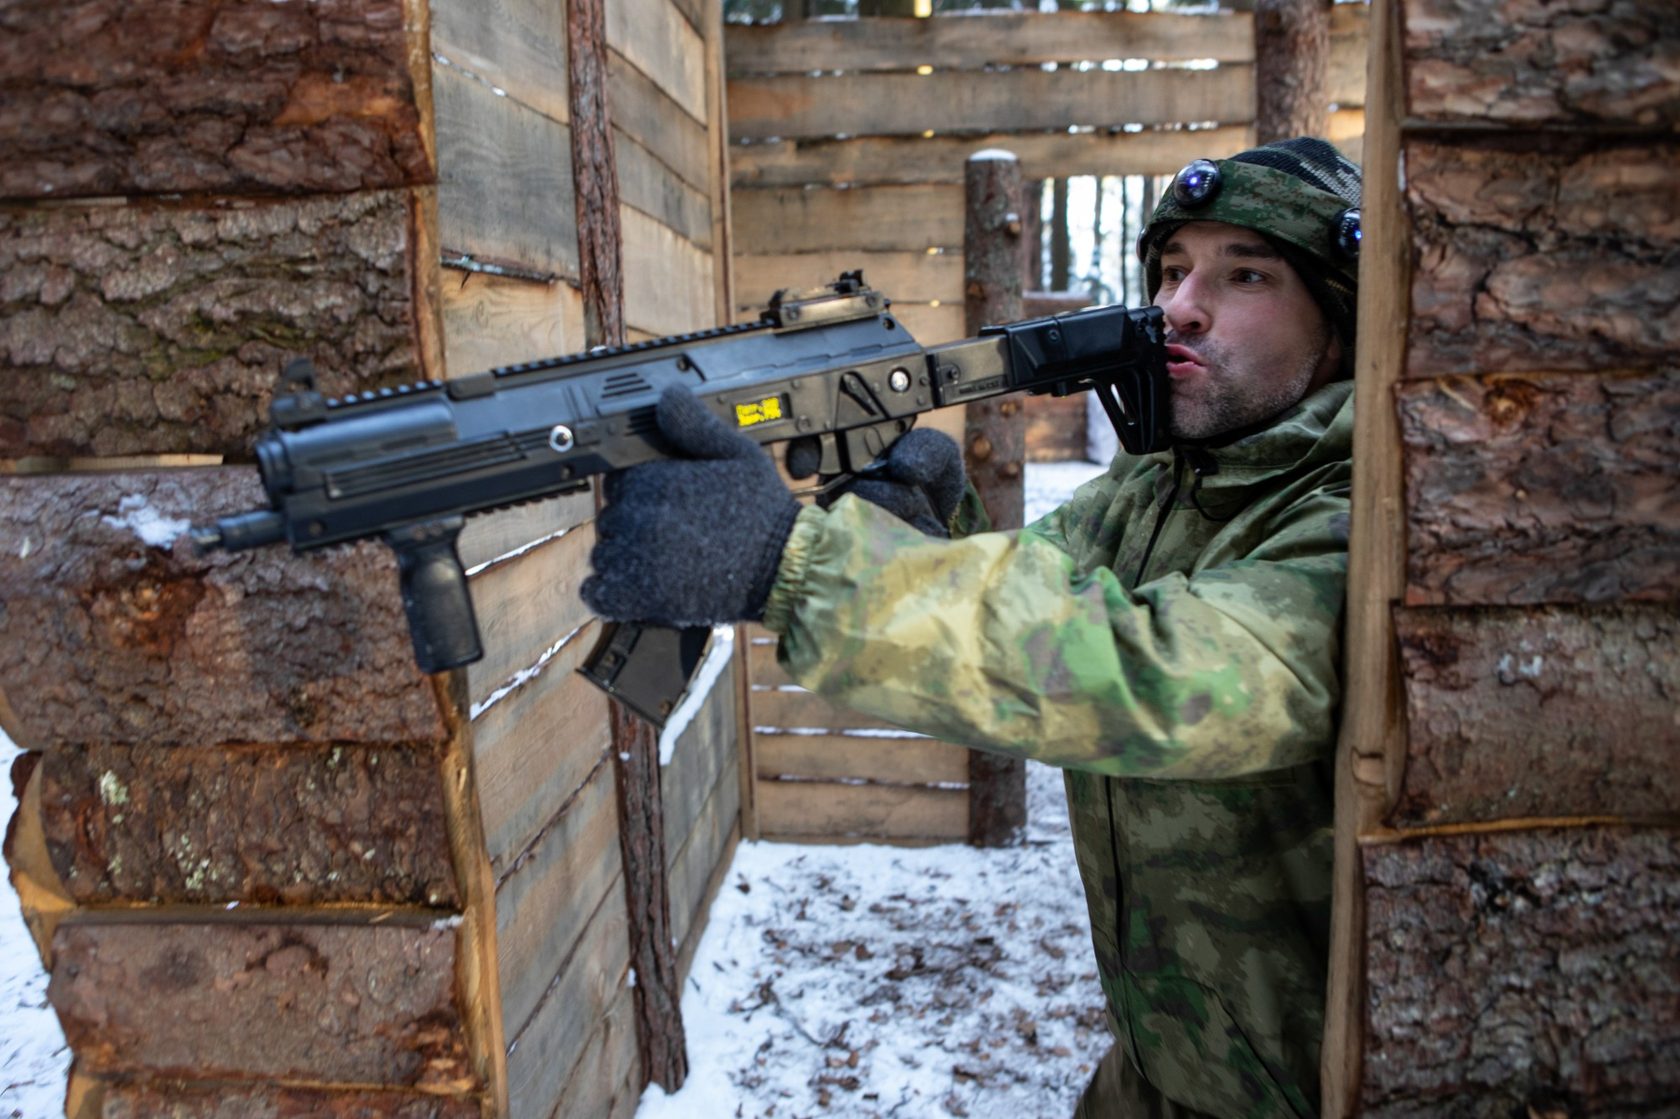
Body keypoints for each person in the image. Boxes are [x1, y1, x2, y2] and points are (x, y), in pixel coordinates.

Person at [583, 137, 1361, 1118]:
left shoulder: (1365, 522)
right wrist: (925, 530)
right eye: (1171, 270)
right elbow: (1040, 600)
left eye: (1243, 275)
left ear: (1342, 318)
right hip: (1156, 1068)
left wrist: (795, 566)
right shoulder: (1160, 487)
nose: (1179, 307)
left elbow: (1156, 674)